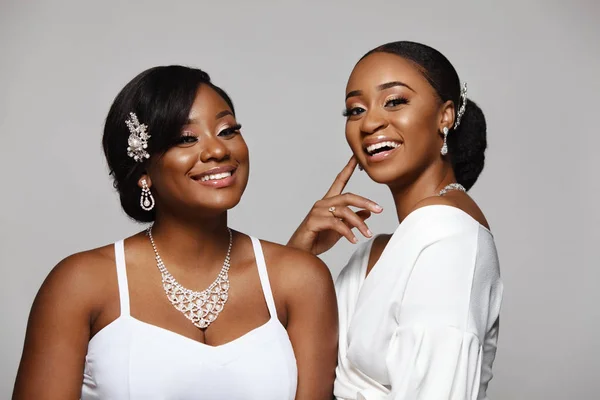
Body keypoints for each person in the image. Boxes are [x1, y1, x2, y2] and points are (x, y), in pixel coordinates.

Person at [13, 65, 338, 400]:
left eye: (227, 131)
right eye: (186, 138)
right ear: (143, 171)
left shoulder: (300, 279)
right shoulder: (81, 283)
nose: (217, 150)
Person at [288, 41, 503, 399]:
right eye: (355, 110)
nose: (370, 122)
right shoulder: (376, 251)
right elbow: (276, 365)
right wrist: (298, 254)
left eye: (395, 101)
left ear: (445, 116)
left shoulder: (447, 236)